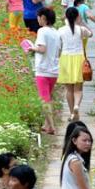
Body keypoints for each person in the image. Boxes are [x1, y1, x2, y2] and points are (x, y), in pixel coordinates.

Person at [28, 7, 60, 135]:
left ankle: (51, 126)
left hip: (43, 70)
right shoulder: (56, 32)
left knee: (44, 99)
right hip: (54, 70)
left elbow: (42, 49)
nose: (38, 19)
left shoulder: (42, 31)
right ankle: (46, 124)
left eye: (39, 17)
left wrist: (32, 48)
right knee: (48, 97)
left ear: (43, 18)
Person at [58, 7, 93, 122]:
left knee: (69, 90)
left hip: (65, 58)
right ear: (77, 16)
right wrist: (81, 22)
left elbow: (59, 46)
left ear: (66, 17)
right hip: (79, 58)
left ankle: (72, 113)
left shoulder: (61, 30)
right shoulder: (81, 29)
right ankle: (77, 106)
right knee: (78, 89)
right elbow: (91, 34)